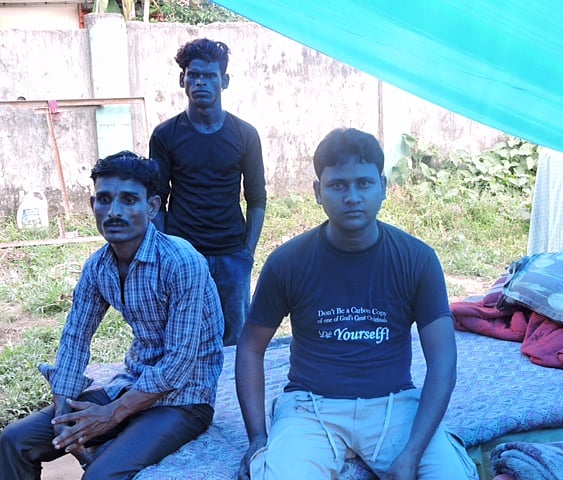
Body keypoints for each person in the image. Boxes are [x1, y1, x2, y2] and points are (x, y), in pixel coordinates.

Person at [235, 128, 478, 480]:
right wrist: (257, 437)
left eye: (364, 184)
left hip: (394, 405)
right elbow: (250, 347)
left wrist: (412, 454)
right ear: (318, 191)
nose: (352, 197)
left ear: (383, 186)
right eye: (338, 185)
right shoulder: (288, 262)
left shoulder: (417, 259)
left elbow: (443, 361)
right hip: (310, 408)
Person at [0, 151, 225, 480]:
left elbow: (179, 364)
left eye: (129, 200)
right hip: (130, 384)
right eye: (104, 199)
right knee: (14, 441)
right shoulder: (98, 266)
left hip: (185, 398)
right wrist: (63, 411)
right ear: (93, 205)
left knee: (100, 476)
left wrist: (110, 415)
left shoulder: (181, 261)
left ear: (152, 206)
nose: (114, 212)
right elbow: (75, 339)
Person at [149, 38, 267, 346]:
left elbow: (256, 198)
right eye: (194, 74)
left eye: (210, 75)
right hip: (184, 255)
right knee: (183, 338)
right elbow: (156, 201)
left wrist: (247, 253)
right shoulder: (165, 135)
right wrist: (167, 253)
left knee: (235, 341)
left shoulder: (245, 135)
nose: (201, 82)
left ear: (224, 81)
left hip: (232, 255)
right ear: (183, 80)